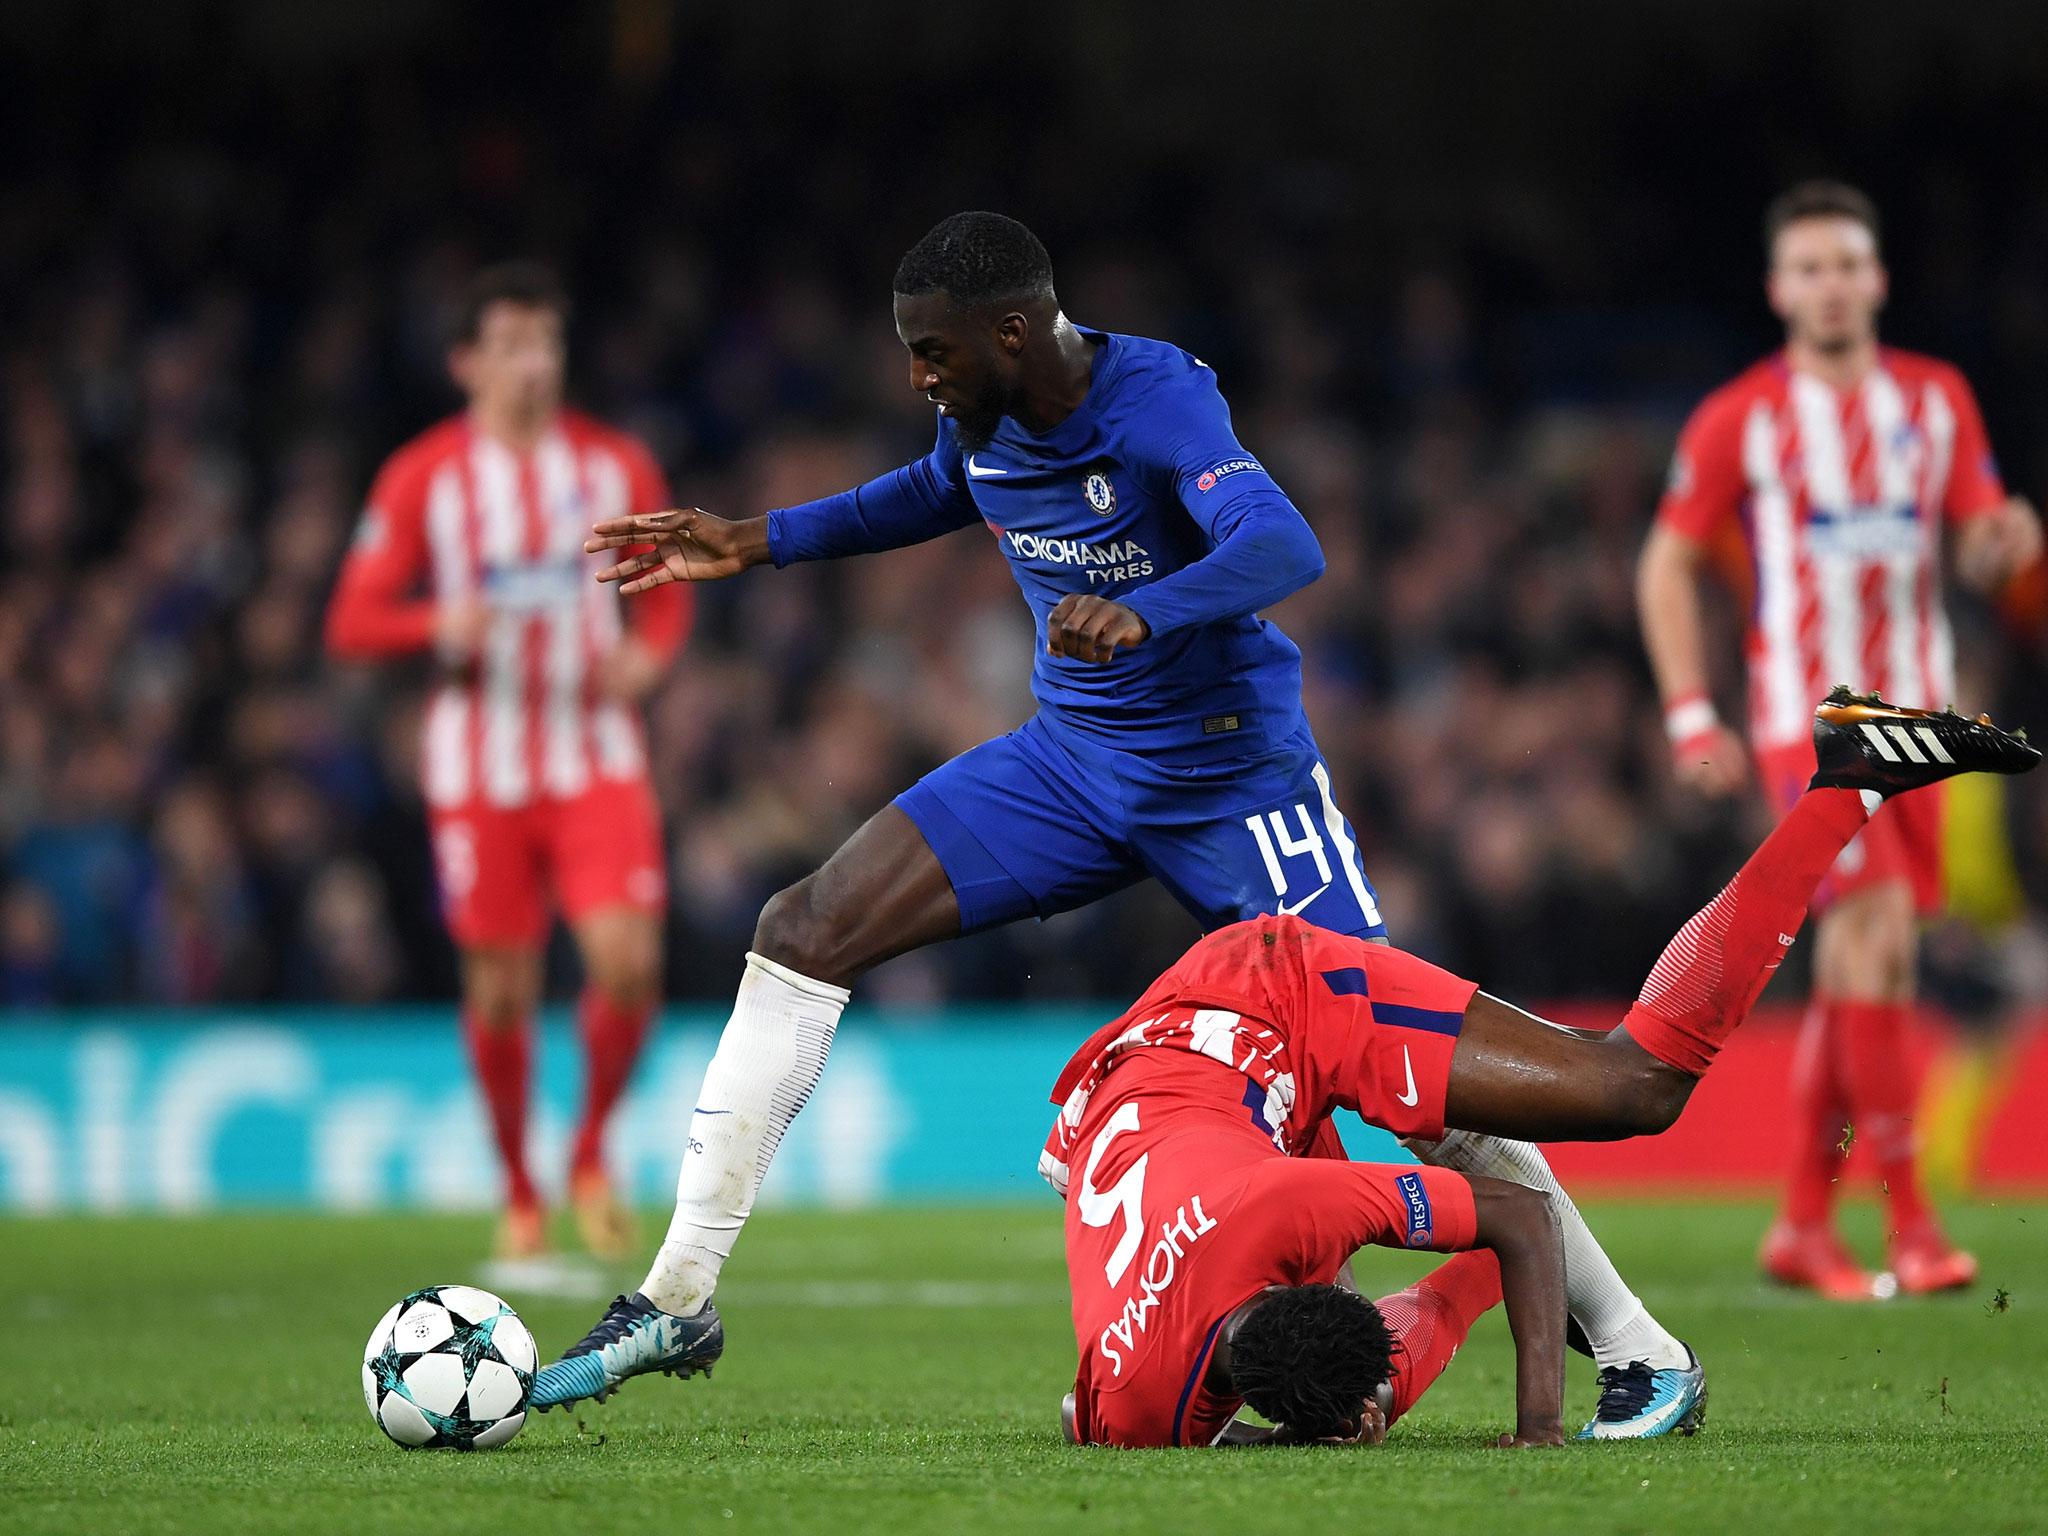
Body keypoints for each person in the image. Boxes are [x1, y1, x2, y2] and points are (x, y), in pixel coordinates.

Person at [532, 212, 1694, 1433]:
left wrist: (1153, 608)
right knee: (802, 924)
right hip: (1071, 765)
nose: (917, 377)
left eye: (933, 352)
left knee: (1426, 1101)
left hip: (1231, 783)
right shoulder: (975, 421)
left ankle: (1639, 1348)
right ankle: (676, 1297)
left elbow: (1279, 541)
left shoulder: (1154, 401)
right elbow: (938, 489)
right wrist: (756, 541)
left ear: (1014, 330)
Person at [1044, 689, 2034, 1444]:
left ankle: (1847, 780)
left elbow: (1511, 1224)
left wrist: (1537, 1432)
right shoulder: (1125, 1401)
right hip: (1149, 1090)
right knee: (1415, 1232)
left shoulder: (1292, 1210)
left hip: (1270, 996)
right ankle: (1637, 1349)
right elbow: (1082, 1408)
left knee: (1630, 1087)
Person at [1637, 181, 2044, 1298]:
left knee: (1866, 965)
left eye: (1844, 264)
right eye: (1806, 268)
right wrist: (1686, 712)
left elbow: (1977, 543)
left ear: (1876, 278)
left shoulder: (1935, 398)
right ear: (1777, 289)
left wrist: (2007, 540)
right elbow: (1665, 562)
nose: (1827, 285)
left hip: (1924, 718)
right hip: (1809, 724)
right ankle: (1910, 1224)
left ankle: (1800, 1224)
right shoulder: (1739, 418)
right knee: (1870, 936)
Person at [325, 262, 690, 1261]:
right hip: (479, 773)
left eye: (547, 343)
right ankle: (521, 1188)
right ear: (465, 363)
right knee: (500, 989)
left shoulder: (615, 467)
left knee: (627, 964)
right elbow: (352, 621)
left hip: (594, 758)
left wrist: (649, 657)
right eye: (513, 345)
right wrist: (433, 619)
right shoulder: (422, 478)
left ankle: (586, 1154)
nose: (535, 364)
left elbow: (669, 584)